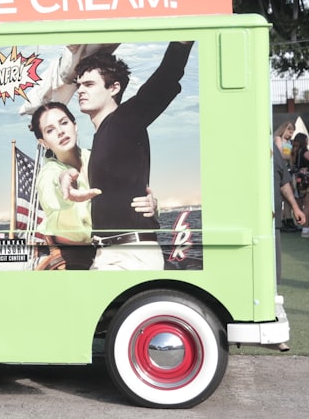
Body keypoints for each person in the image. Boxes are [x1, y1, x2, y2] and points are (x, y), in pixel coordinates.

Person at [73, 41, 194, 270]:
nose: (80, 90)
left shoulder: (123, 121)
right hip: (108, 253)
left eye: (89, 84)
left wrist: (182, 42)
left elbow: (164, 79)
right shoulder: (102, 136)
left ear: (114, 88)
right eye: (78, 84)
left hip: (129, 256)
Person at [29, 101, 159, 270]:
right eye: (50, 130)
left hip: (115, 250)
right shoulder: (48, 173)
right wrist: (63, 180)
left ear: (75, 126)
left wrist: (152, 206)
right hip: (72, 259)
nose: (60, 132)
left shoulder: (98, 158)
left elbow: (129, 194)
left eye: (64, 123)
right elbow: (50, 186)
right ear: (43, 142)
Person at [271, 124, 307, 353]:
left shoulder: (272, 152)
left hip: (271, 223)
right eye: (286, 136)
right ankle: (272, 331)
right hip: (257, 224)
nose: (287, 140)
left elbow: (284, 182)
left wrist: (295, 207)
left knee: (273, 278)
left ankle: (274, 331)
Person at [274, 121, 301, 232]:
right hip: (280, 170)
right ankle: (282, 220)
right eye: (289, 132)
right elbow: (279, 155)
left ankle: (288, 219)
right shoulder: (278, 139)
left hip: (288, 170)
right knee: (282, 197)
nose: (290, 135)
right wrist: (290, 156)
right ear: (284, 129)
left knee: (288, 197)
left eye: (292, 133)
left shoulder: (289, 142)